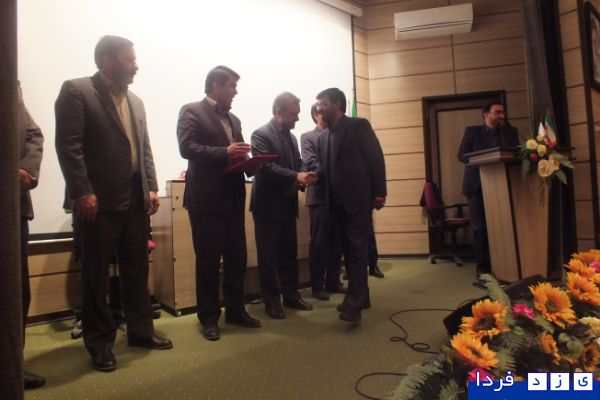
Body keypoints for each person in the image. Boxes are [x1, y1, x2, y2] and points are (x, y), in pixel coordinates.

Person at [55, 35, 172, 373]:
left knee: (137, 271)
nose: (135, 66)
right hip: (97, 202)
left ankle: (141, 332)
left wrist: (151, 187)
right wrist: (82, 191)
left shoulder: (136, 101)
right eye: (128, 59)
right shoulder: (77, 90)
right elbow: (69, 146)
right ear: (107, 60)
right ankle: (99, 343)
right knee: (96, 276)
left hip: (135, 201)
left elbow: (144, 147)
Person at [177, 65, 261, 342]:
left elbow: (237, 153)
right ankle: (209, 317)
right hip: (206, 200)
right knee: (208, 262)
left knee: (237, 259)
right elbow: (187, 148)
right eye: (232, 86)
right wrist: (225, 152)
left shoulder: (234, 119)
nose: (235, 92)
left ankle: (236, 311)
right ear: (216, 84)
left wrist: (251, 163)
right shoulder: (191, 111)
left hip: (233, 198)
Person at [316, 88, 386, 325]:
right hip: (335, 206)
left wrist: (380, 192)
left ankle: (354, 304)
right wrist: (310, 177)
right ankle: (362, 297)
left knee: (357, 251)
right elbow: (325, 170)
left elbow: (375, 158)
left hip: (358, 200)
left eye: (323, 104)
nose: (319, 108)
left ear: (337, 104)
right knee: (349, 251)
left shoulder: (358, 126)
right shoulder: (324, 137)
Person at [250, 92, 316, 319]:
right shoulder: (260, 135)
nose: (297, 118)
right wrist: (296, 176)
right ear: (279, 112)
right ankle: (271, 302)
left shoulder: (292, 137)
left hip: (287, 203)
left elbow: (297, 163)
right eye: (293, 114)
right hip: (267, 206)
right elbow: (266, 168)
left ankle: (291, 295)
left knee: (289, 254)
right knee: (268, 258)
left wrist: (305, 173)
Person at [457, 101, 520, 279]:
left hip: (503, 185)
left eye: (503, 112)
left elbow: (516, 154)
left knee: (504, 225)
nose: (502, 116)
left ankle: (506, 265)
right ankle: (483, 268)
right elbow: (462, 155)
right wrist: (486, 158)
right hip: (477, 185)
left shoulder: (509, 132)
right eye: (497, 112)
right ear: (486, 115)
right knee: (480, 228)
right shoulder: (472, 132)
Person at [17, 84, 46, 389]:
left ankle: (12, 363)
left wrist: (24, 170)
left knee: (16, 292)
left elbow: (33, 134)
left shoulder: (10, 85)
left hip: (14, 206)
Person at [300, 103, 345, 301]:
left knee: (337, 241)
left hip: (339, 196)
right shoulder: (308, 137)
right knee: (319, 243)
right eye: (319, 112)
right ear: (314, 116)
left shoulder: (339, 134)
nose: (323, 114)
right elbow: (311, 162)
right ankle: (317, 286)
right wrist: (336, 171)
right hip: (319, 197)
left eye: (326, 110)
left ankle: (333, 282)